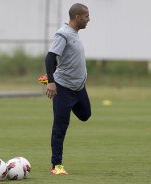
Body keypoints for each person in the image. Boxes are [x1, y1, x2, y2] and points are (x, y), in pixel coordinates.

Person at [44, 3, 91, 175]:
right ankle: (56, 166)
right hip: (63, 89)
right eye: (86, 16)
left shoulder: (74, 34)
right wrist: (51, 81)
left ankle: (52, 79)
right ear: (77, 17)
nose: (89, 19)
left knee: (86, 114)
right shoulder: (63, 34)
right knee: (60, 126)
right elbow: (50, 58)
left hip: (78, 88)